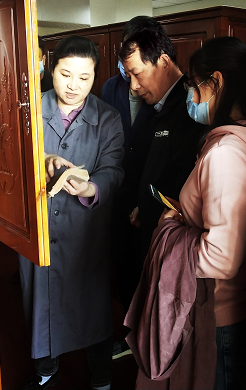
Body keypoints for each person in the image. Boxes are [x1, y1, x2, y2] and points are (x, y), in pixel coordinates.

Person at [148, 37, 246, 390]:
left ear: (217, 82)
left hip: (221, 310)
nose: (191, 97)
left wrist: (171, 231)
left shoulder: (225, 153)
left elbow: (221, 257)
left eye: (195, 86)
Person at [19, 35, 124, 390]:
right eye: (65, 75)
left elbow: (113, 170)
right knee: (41, 306)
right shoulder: (29, 109)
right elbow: (11, 161)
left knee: (92, 309)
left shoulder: (107, 118)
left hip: (85, 232)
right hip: (40, 229)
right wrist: (43, 160)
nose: (73, 86)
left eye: (84, 77)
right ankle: (46, 371)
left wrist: (91, 188)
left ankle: (102, 378)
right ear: (51, 69)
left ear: (95, 76)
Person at [118, 16, 207, 267]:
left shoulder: (190, 107)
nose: (134, 86)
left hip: (172, 236)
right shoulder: (157, 104)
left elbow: (185, 179)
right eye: (129, 76)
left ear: (164, 61)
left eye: (138, 74)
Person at [101, 17, 157, 319]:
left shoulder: (162, 90)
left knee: (146, 267)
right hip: (117, 192)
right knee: (120, 262)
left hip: (148, 195)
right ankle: (126, 326)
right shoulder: (111, 87)